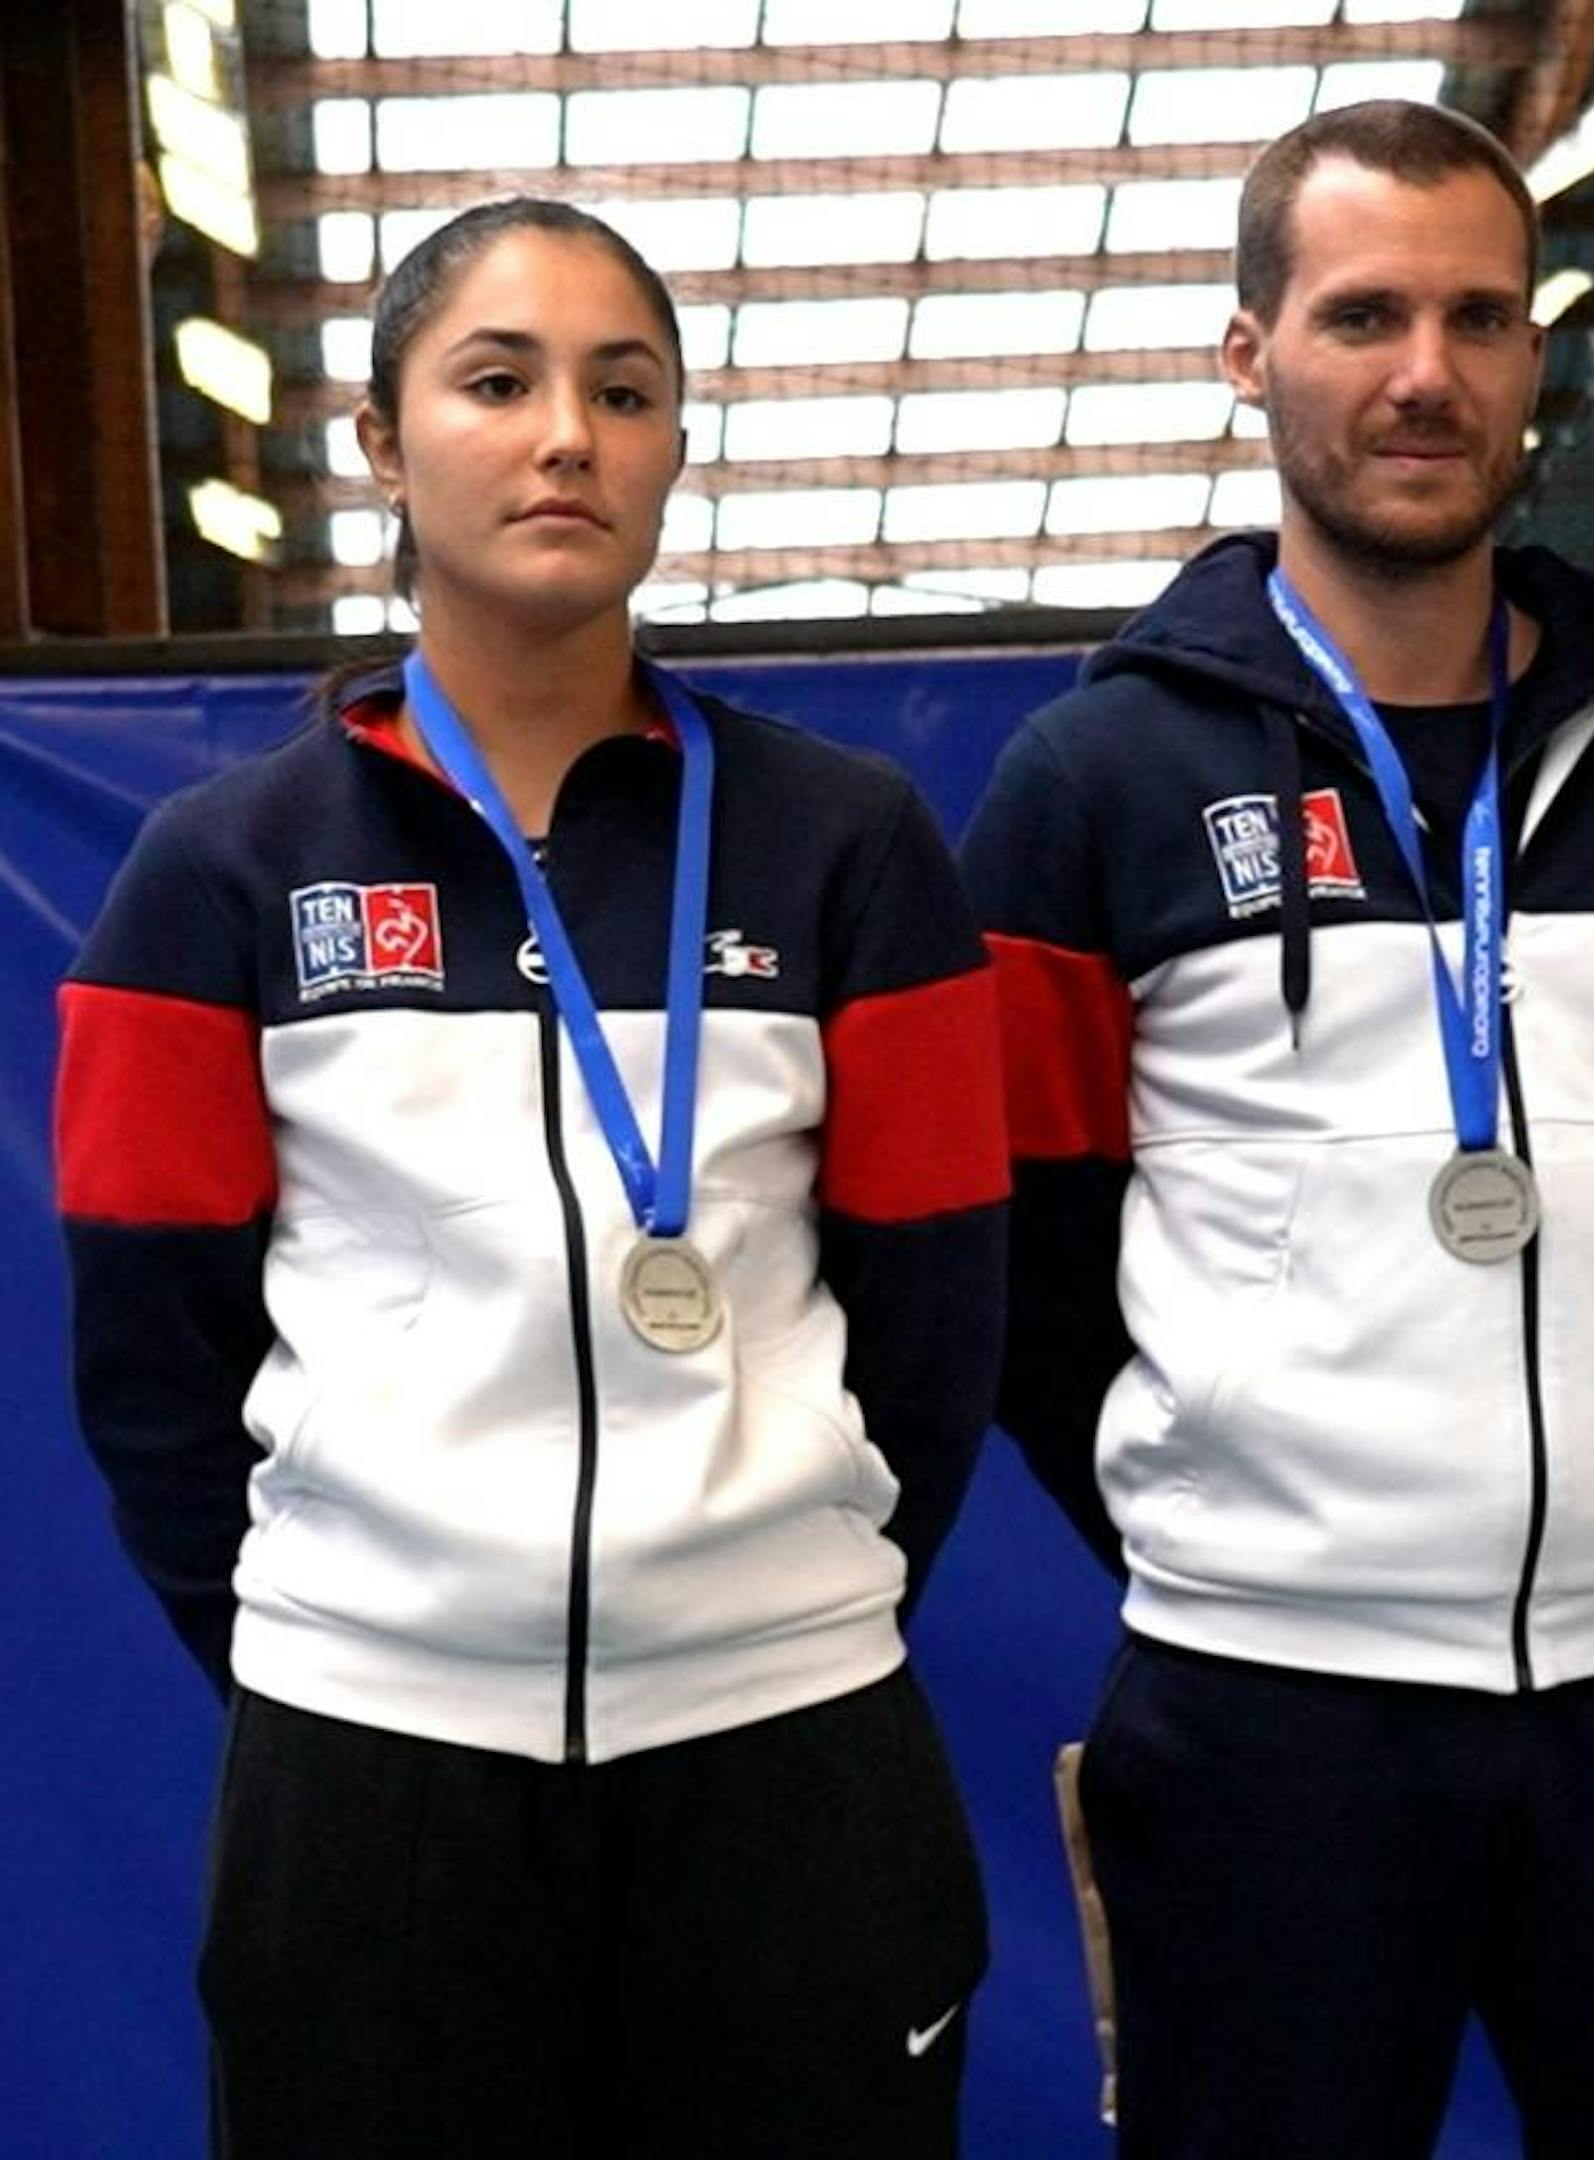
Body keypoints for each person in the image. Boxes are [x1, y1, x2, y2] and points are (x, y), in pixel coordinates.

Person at [55, 197, 1006, 2157]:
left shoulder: (848, 846)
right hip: (371, 1778)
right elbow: (149, 1357)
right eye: (497, 381)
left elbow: (937, 1316)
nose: (566, 432)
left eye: (624, 389)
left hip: (793, 1762)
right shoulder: (218, 879)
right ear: (385, 447)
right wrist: (344, 1630)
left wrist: (773, 1595)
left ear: (673, 444)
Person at [960, 101, 1594, 2158]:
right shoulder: (1095, 785)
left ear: (1535, 357)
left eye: (1476, 317)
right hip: (1267, 1724)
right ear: (1249, 351)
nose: (1424, 374)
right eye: (1360, 315)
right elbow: (1016, 1256)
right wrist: (1250, 1522)